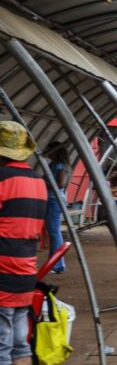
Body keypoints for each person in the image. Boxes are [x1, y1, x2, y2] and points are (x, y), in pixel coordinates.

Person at [0, 121, 47, 365]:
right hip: (26, 267)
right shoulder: (38, 181)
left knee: (1, 344)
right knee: (20, 342)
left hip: (3, 267)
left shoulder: (1, 179)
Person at [43, 141, 69, 274]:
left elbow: (60, 184)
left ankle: (56, 264)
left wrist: (43, 183)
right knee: (53, 232)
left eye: (50, 151)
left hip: (55, 200)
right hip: (51, 200)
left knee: (54, 233)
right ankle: (57, 263)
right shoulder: (52, 165)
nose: (48, 154)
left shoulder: (60, 166)